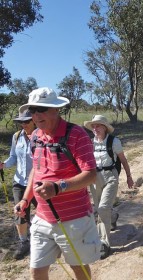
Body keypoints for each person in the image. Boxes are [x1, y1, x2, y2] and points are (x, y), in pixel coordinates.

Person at [14, 87, 101, 280]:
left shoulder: (77, 134)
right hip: (42, 218)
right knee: (36, 271)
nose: (36, 115)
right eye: (33, 110)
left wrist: (58, 187)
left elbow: (91, 174)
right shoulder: (35, 136)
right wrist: (26, 200)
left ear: (56, 110)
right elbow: (35, 171)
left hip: (74, 219)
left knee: (78, 268)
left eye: (41, 109)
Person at [84, 115, 134, 259]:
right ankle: (112, 217)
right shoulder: (90, 143)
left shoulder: (114, 141)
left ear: (105, 127)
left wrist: (129, 177)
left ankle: (103, 243)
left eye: (98, 126)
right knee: (101, 208)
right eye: (93, 126)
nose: (95, 128)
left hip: (111, 176)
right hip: (95, 178)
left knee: (102, 208)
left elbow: (123, 160)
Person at [0, 110, 37, 260]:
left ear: (34, 120)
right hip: (20, 181)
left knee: (46, 211)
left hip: (38, 182)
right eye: (21, 121)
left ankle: (50, 238)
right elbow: (13, 157)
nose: (24, 124)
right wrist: (3, 164)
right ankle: (24, 242)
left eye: (26, 121)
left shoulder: (42, 136)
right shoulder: (17, 136)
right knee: (19, 212)